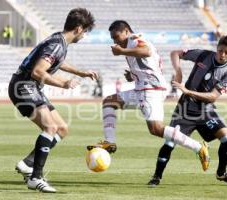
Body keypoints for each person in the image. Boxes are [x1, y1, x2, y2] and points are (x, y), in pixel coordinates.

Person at [87, 20, 209, 171]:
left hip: (150, 90)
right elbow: (147, 64)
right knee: (109, 102)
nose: (115, 41)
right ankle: (109, 142)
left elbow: (146, 51)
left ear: (126, 31)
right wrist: (133, 75)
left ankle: (199, 148)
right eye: (112, 39)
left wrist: (121, 51)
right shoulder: (130, 44)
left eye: (116, 36)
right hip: (143, 88)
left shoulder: (134, 39)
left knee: (156, 129)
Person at [8, 8, 97, 193]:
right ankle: (36, 177)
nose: (85, 35)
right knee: (50, 127)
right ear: (79, 29)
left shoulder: (59, 41)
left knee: (61, 128)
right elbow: (38, 71)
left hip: (31, 87)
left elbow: (58, 62)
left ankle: (28, 164)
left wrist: (81, 72)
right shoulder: (57, 43)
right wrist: (63, 83)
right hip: (24, 86)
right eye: (86, 31)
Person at [147, 35, 227, 187]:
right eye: (220, 51)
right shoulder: (203, 55)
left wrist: (188, 91)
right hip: (185, 109)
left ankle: (221, 173)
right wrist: (178, 71)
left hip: (206, 110)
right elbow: (175, 53)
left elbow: (212, 97)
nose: (222, 55)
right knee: (170, 142)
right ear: (216, 49)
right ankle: (157, 176)